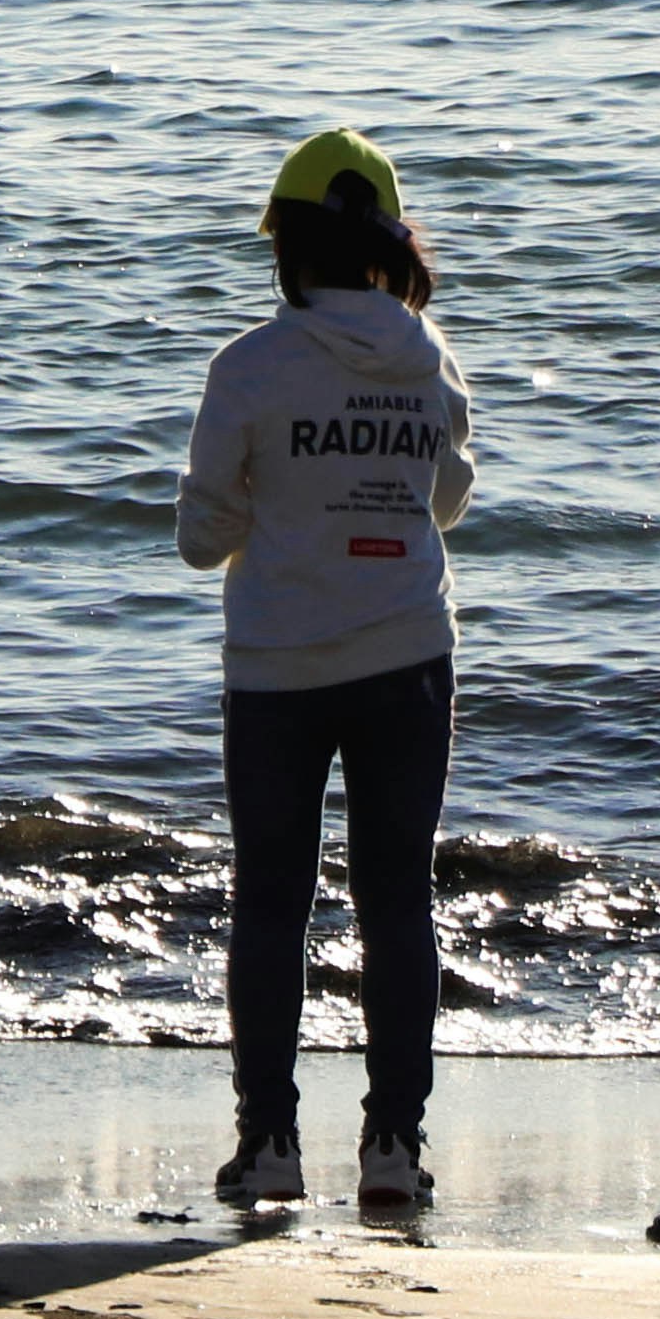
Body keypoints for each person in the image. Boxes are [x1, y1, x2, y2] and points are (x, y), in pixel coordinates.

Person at [173, 126, 476, 1222]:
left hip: (276, 665)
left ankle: (268, 1145)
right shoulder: (429, 359)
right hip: (406, 651)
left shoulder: (246, 366)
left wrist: (274, 505)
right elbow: (444, 501)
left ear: (288, 245)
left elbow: (203, 538)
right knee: (398, 900)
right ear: (386, 243)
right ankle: (393, 1144)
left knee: (272, 901)